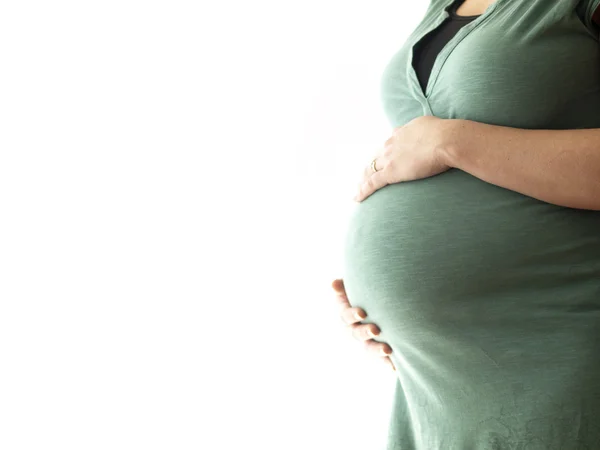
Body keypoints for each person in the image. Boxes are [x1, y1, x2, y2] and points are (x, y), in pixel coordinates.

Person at [333, 0, 600, 448]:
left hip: (552, 351)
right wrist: (377, 307)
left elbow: (441, 143)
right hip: (436, 384)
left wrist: (451, 142)